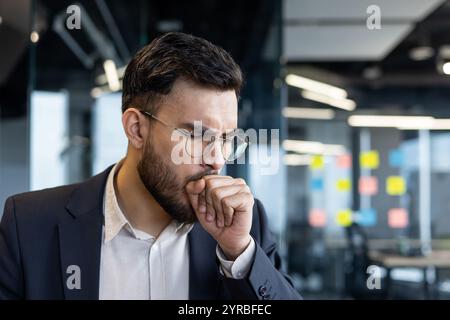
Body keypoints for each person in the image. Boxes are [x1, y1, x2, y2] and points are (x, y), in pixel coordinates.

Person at [0, 32, 301, 300]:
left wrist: (238, 254)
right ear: (136, 129)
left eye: (226, 139)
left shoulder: (245, 227)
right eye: (197, 135)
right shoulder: (29, 225)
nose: (218, 159)